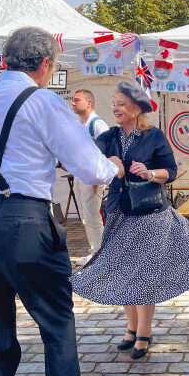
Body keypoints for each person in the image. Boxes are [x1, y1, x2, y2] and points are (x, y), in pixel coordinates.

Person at [0, 27, 124, 376]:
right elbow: (88, 166)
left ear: (5, 60)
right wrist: (114, 167)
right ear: (46, 64)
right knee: (56, 327)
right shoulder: (43, 101)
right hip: (24, 223)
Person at [71, 81, 189, 360]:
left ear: (137, 108)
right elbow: (87, 155)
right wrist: (109, 158)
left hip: (149, 214)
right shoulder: (110, 135)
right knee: (123, 269)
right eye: (114, 103)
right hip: (117, 210)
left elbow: (171, 171)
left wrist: (150, 173)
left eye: (121, 103)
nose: (115, 108)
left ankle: (144, 332)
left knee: (143, 272)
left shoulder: (153, 136)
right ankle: (130, 327)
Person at [69, 89, 108, 265]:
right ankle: (95, 250)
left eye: (77, 100)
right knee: (86, 214)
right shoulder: (81, 124)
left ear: (89, 103)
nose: (73, 103)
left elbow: (106, 152)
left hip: (91, 176)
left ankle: (99, 253)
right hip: (81, 174)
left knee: (92, 214)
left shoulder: (97, 123)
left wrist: (97, 178)